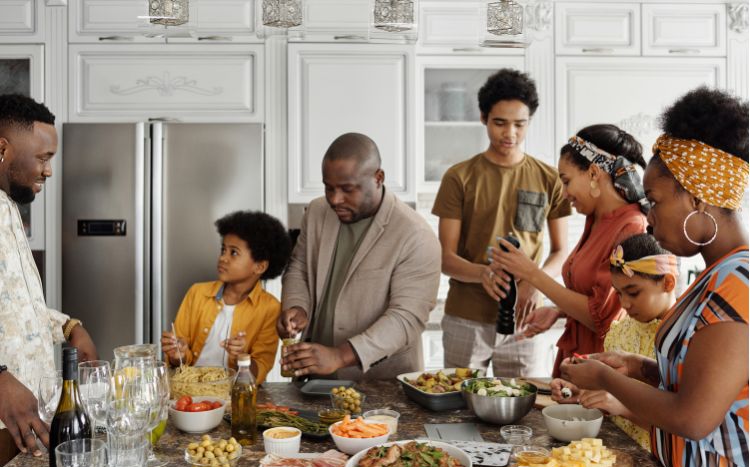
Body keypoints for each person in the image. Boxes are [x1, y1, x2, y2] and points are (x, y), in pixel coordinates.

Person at [560, 87, 748, 467]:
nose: (648, 218)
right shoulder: (717, 275)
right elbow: (709, 383)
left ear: (697, 199)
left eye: (656, 201)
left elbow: (695, 417)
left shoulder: (738, 285)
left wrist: (607, 378)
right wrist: (640, 367)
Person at [431, 69, 571, 377]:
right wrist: (484, 274)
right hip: (465, 318)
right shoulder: (459, 177)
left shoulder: (549, 178)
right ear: (483, 118)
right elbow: (446, 258)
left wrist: (534, 282)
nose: (510, 133)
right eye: (500, 123)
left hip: (524, 319)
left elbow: (562, 251)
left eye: (519, 124)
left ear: (529, 122)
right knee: (460, 407)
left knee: (521, 409)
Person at [277, 132, 441, 380]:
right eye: (328, 188)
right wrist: (297, 306)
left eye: (347, 189)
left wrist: (340, 356)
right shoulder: (316, 212)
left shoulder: (416, 235)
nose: (335, 199)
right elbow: (299, 266)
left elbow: (405, 318)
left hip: (381, 385)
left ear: (378, 178)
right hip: (314, 380)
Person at [491, 124, 649, 377]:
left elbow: (605, 319)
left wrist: (532, 274)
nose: (564, 194)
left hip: (602, 369)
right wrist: (557, 310)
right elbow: (593, 295)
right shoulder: (595, 219)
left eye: (566, 181)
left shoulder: (632, 227)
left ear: (594, 173)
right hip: (576, 361)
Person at [0, 94, 98, 465]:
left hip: (22, 426)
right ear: (3, 149)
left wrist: (68, 326)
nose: (48, 171)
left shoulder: (8, 209)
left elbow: (16, 309)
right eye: (43, 158)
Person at [551, 233, 677, 450]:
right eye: (618, 293)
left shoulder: (683, 341)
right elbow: (612, 399)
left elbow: (682, 426)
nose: (625, 303)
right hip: (617, 452)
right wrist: (583, 395)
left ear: (667, 283)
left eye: (633, 292)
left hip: (660, 462)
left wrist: (623, 408)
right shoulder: (620, 333)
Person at [161, 210, 291, 384]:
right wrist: (178, 355)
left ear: (259, 266)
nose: (223, 258)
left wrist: (241, 357)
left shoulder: (270, 308)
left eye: (234, 253)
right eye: (223, 250)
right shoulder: (197, 293)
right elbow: (179, 363)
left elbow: (257, 374)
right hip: (188, 393)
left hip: (236, 397)